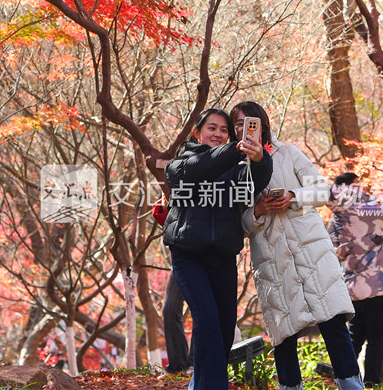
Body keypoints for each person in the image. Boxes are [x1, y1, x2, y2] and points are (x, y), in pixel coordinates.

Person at [233, 101, 364, 390]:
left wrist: (293, 195)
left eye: (250, 122)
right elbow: (239, 223)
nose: (245, 129)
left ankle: (352, 386)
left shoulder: (288, 153)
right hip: (271, 257)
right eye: (238, 125)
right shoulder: (234, 167)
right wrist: (258, 211)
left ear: (263, 124)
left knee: (333, 322)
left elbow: (322, 190)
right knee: (284, 333)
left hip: (311, 249)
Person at [163, 107, 271, 390]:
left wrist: (260, 159)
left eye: (224, 130)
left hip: (223, 257)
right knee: (207, 320)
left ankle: (201, 384)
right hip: (188, 255)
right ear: (197, 132)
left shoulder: (236, 169)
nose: (218, 134)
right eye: (212, 128)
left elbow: (255, 184)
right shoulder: (179, 164)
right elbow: (201, 167)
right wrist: (237, 149)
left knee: (223, 329)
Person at [328, 167, 383, 386]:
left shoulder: (336, 219)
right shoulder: (371, 210)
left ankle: (344, 380)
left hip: (351, 289)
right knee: (377, 338)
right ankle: (372, 384)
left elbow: (331, 251)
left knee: (355, 336)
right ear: (354, 186)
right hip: (377, 287)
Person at [153, 199, 193, 373]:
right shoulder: (176, 182)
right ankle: (178, 365)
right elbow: (166, 219)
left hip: (208, 252)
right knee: (169, 308)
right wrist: (163, 205)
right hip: (182, 255)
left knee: (202, 310)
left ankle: (196, 363)